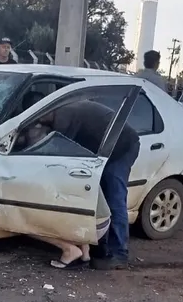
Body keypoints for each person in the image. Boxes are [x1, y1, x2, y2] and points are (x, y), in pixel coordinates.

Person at [22, 92, 139, 270]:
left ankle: (118, 254)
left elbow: (60, 152)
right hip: (104, 149)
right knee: (96, 198)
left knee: (114, 199)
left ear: (41, 111)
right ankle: (94, 249)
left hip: (122, 148)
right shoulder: (62, 112)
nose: (36, 123)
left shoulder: (64, 118)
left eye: (35, 118)